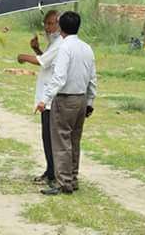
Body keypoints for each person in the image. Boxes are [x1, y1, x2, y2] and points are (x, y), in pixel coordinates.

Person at [36, 11, 96, 195]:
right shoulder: (87, 48)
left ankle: (63, 183)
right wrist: (90, 101)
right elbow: (92, 78)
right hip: (81, 99)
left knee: (61, 140)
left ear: (61, 27)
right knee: (74, 140)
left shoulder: (64, 48)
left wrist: (44, 100)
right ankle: (73, 177)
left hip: (64, 99)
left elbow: (59, 78)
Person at [16, 10, 63, 185]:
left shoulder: (60, 43)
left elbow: (42, 62)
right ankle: (50, 170)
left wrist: (23, 57)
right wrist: (36, 49)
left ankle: (53, 173)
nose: (47, 27)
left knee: (50, 138)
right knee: (47, 137)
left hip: (51, 98)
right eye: (45, 23)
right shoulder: (54, 43)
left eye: (51, 23)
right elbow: (47, 60)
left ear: (60, 24)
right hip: (47, 96)